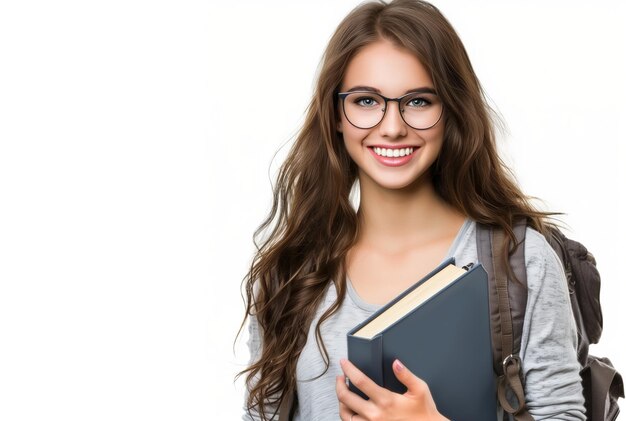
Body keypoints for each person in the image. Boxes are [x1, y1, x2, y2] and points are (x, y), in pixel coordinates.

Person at [237, 0, 586, 419]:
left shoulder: (520, 260)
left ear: (451, 111)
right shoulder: (290, 272)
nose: (392, 126)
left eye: (419, 102)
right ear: (336, 115)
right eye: (366, 101)